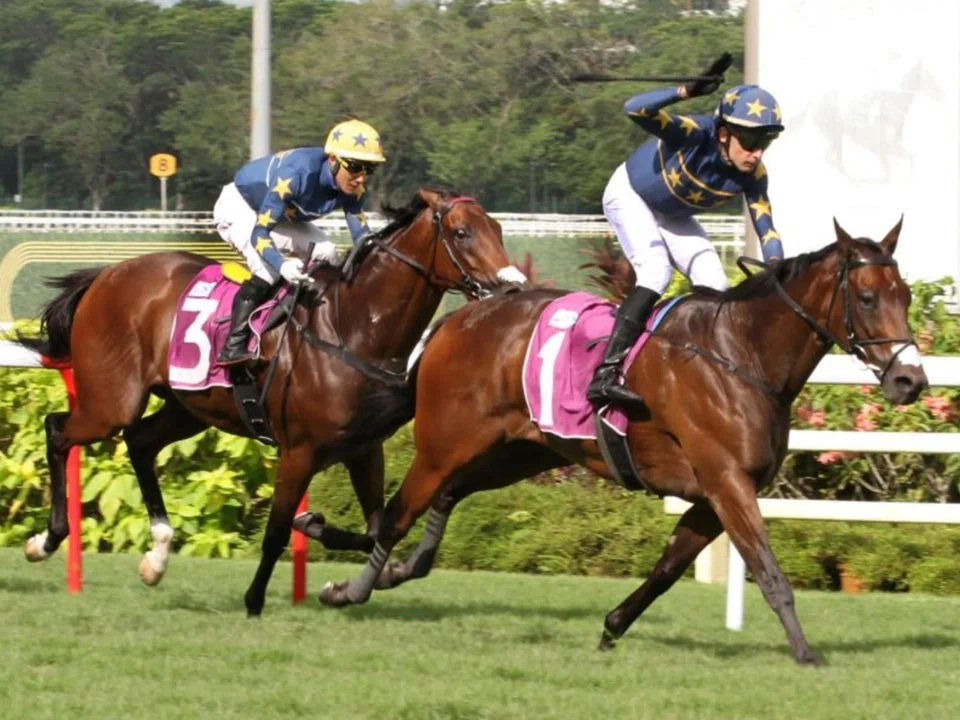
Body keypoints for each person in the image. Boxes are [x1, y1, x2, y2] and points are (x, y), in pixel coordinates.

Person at [587, 53, 786, 409]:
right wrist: (685, 91)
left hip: (672, 214)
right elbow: (636, 108)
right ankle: (605, 373)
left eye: (764, 144)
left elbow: (765, 224)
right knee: (656, 270)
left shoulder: (754, 175)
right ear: (724, 134)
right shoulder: (697, 134)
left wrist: (777, 264)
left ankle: (704, 373)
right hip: (630, 195)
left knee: (716, 285)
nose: (756, 154)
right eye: (750, 142)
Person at [213, 118, 386, 366]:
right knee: (269, 269)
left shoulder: (353, 188)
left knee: (328, 252)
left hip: (280, 215)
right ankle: (232, 347)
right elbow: (259, 233)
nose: (362, 178)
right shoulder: (296, 175)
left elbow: (362, 239)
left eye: (370, 169)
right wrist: (282, 265)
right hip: (241, 207)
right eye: (357, 167)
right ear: (334, 160)